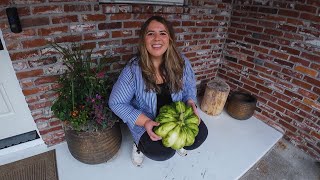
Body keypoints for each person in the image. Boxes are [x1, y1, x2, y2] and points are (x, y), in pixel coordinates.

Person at [108, 16, 208, 167]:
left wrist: (190, 102)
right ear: (143, 40)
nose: (157, 38)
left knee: (199, 136)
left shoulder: (181, 62)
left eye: (162, 33)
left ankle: (177, 140)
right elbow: (116, 102)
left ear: (170, 38)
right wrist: (145, 121)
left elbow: (189, 87)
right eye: (150, 33)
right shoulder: (133, 69)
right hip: (147, 120)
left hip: (177, 117)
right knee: (162, 153)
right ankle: (138, 144)